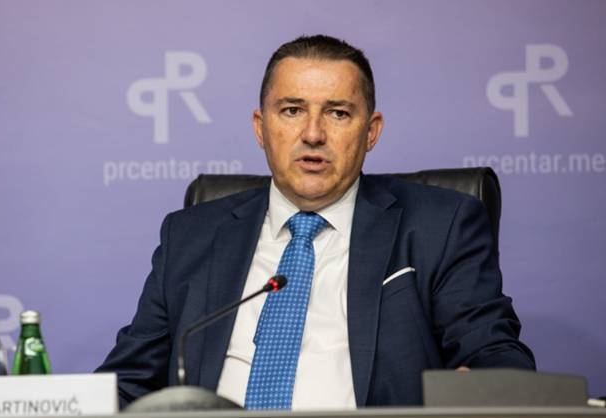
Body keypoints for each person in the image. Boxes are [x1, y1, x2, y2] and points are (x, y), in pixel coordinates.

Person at [96, 34, 535, 410]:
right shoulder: (191, 235)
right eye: (292, 110)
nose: (312, 134)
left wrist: (481, 386)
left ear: (371, 131)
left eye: (338, 113)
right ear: (260, 127)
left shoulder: (441, 226)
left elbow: (495, 355)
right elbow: (127, 383)